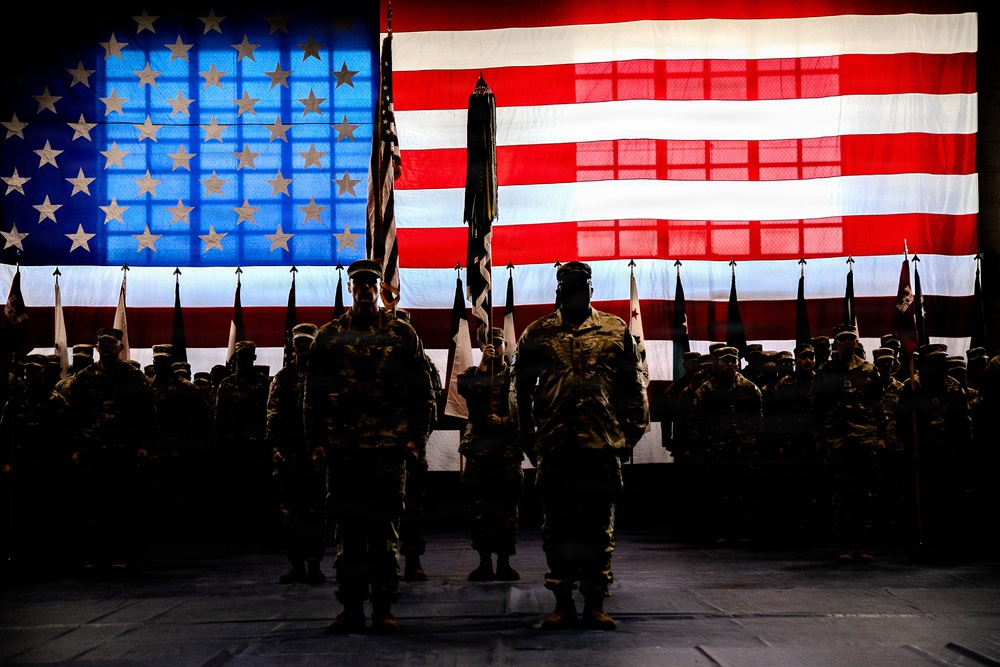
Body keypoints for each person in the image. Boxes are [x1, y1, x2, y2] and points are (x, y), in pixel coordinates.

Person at [510, 261, 649, 631]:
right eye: (568, 285)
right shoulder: (537, 333)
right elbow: (519, 393)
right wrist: (529, 441)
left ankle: (595, 605)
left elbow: (634, 388)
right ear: (558, 290)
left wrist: (627, 438)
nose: (575, 291)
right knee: (557, 529)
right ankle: (562, 605)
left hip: (601, 448)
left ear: (591, 288)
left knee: (598, 529)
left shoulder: (614, 329)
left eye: (582, 285)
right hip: (557, 449)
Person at [305, 259, 436, 634]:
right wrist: (315, 440)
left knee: (383, 534)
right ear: (350, 288)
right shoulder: (329, 335)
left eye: (370, 283)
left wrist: (416, 437)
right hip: (343, 453)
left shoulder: (401, 334)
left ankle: (382, 607)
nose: (364, 289)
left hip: (387, 451)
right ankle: (350, 608)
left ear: (380, 287)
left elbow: (421, 392)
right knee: (348, 534)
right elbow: (312, 395)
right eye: (358, 283)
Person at [68, 328, 156, 570]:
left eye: (111, 343)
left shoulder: (133, 376)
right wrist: (75, 447)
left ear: (121, 347)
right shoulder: (84, 377)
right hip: (92, 451)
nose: (106, 346)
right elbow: (74, 415)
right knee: (91, 504)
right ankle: (93, 555)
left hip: (123, 451)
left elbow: (147, 414)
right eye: (102, 343)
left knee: (121, 503)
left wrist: (143, 446)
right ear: (97, 347)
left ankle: (120, 555)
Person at [813, 324, 885, 563]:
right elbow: (818, 408)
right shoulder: (825, 371)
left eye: (850, 339)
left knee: (865, 492)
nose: (846, 342)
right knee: (841, 492)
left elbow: (878, 405)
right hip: (837, 440)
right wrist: (819, 438)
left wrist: (882, 436)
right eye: (842, 339)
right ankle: (845, 545)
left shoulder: (868, 369)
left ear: (856, 343)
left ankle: (862, 545)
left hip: (864, 437)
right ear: (836, 343)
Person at [457, 326, 523, 582]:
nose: (495, 348)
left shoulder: (515, 379)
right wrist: (484, 366)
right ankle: (484, 562)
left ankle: (504, 562)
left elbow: (527, 411)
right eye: (489, 344)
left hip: (506, 454)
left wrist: (505, 421)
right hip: (480, 454)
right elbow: (465, 390)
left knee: (507, 509)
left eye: (498, 343)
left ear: (506, 346)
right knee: (480, 509)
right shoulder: (474, 374)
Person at [267, 323, 328, 585]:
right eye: (299, 344)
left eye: (308, 343)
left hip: (316, 454)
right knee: (290, 513)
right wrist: (274, 448)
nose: (303, 348)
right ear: (294, 347)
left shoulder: (325, 376)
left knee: (315, 511)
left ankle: (314, 565)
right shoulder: (283, 377)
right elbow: (272, 414)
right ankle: (297, 565)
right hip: (290, 455)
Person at [0, 355, 71, 569]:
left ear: (44, 372)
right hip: (22, 463)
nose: (31, 375)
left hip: (48, 463)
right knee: (22, 510)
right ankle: (23, 555)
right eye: (28, 371)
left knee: (47, 509)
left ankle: (48, 555)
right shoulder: (15, 402)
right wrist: (5, 460)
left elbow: (65, 433)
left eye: (36, 371)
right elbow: (4, 434)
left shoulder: (56, 400)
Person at [688, 346, 763, 545]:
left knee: (742, 492)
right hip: (716, 449)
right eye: (725, 361)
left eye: (733, 361)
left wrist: (756, 445)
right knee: (719, 492)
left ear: (738, 364)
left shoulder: (749, 388)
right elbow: (696, 420)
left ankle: (743, 532)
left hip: (742, 449)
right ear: (718, 363)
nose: (729, 364)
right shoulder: (706, 389)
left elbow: (758, 420)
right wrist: (700, 448)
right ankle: (720, 532)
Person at [214, 340, 272, 546]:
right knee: (235, 493)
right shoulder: (226, 384)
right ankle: (236, 538)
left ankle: (262, 537)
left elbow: (271, 415)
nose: (244, 360)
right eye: (241, 356)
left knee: (260, 494)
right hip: (234, 448)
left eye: (248, 356)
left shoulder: (264, 383)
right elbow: (220, 417)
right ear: (235, 359)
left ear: (254, 358)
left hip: (258, 447)